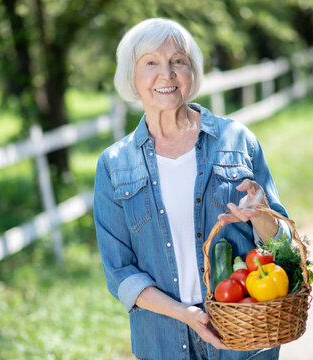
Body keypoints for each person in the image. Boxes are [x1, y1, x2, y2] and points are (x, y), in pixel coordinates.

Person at [93, 18, 291, 360]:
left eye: (178, 61)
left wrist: (260, 216)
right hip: (162, 341)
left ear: (192, 72)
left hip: (242, 332)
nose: (166, 73)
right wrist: (184, 314)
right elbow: (120, 273)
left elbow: (283, 244)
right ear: (131, 76)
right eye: (151, 62)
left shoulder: (238, 140)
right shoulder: (114, 164)